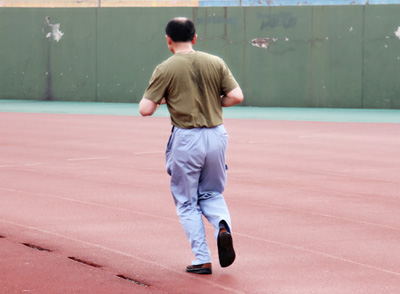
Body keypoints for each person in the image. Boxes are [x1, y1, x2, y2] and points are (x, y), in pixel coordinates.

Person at [139, 17, 244, 275]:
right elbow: (236, 96)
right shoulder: (215, 62)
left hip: (187, 138)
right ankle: (222, 227)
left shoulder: (165, 68)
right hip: (217, 135)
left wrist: (165, 99)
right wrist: (211, 101)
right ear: (195, 38)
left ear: (168, 40)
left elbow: (145, 110)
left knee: (186, 201)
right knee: (212, 193)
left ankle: (202, 259)